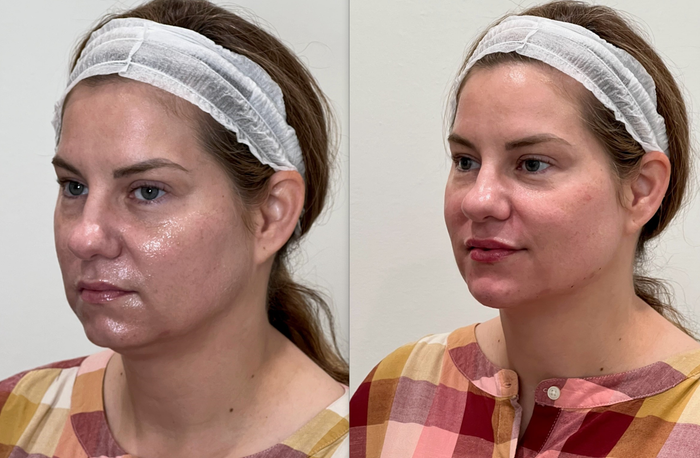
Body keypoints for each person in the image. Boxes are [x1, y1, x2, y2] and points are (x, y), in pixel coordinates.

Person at [350, 1, 700, 457]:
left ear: (641, 190)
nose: (478, 199)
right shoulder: (397, 390)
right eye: (465, 161)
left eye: (532, 163)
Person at [0, 1, 348, 457]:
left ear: (271, 214)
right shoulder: (14, 418)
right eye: (74, 185)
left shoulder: (376, 438)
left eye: (147, 192)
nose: (83, 237)